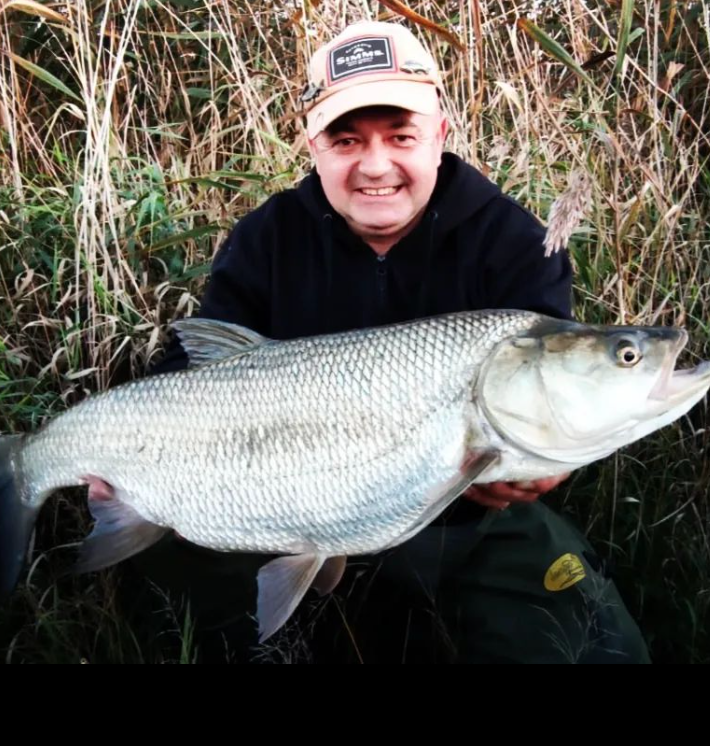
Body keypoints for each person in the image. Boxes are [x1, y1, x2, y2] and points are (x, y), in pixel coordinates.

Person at [135, 21, 650, 663]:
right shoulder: (266, 239)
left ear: (439, 134)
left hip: (466, 516)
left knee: (593, 647)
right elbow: (192, 371)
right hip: (274, 502)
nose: (375, 165)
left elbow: (554, 401)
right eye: (346, 139)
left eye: (400, 136)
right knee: (171, 587)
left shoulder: (515, 241)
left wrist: (550, 464)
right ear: (313, 144)